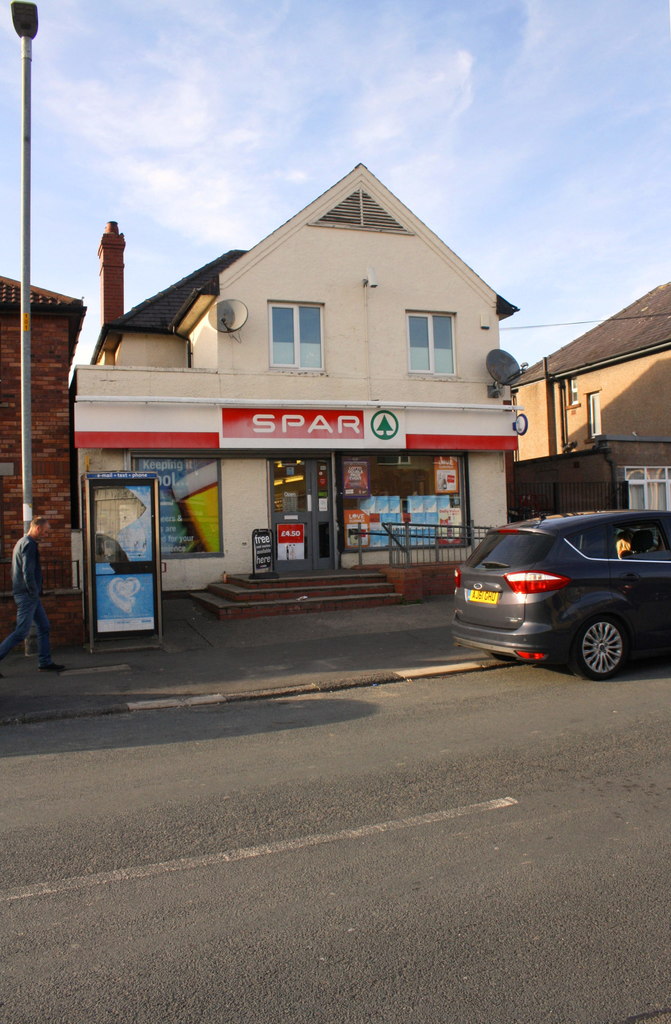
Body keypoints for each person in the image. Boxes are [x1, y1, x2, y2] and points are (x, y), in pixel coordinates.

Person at [0, 516, 65, 675]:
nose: (45, 534)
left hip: (28, 594)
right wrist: (33, 590)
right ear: (37, 528)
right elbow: (27, 572)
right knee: (22, 632)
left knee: (44, 627)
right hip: (28, 595)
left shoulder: (21, 542)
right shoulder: (29, 545)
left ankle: (45, 662)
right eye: (45, 531)